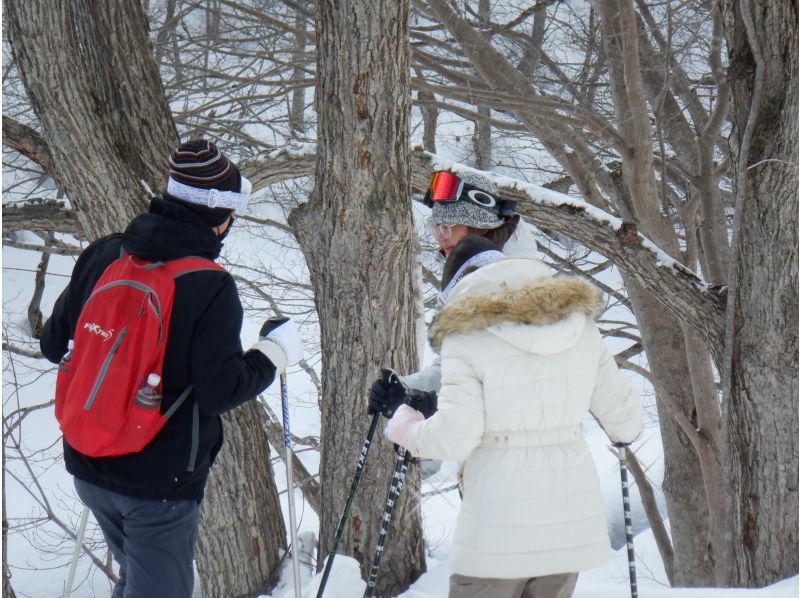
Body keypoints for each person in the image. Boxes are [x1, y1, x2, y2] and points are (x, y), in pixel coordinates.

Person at [40, 138, 303, 598]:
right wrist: (274, 352)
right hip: (157, 485)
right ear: (220, 216)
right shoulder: (210, 285)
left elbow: (50, 344)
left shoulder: (105, 253)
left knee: (136, 580)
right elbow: (223, 391)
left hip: (87, 462)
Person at [379, 233, 643, 598]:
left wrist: (406, 427)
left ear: (458, 288)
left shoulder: (465, 335)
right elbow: (627, 423)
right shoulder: (580, 326)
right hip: (567, 526)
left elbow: (457, 436)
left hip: (496, 532)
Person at [369, 170, 538, 411]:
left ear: (480, 229)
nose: (439, 237)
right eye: (435, 227)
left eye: (447, 227)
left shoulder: (517, 282)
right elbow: (454, 367)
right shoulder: (463, 282)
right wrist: (405, 391)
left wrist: (440, 408)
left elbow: (520, 380)